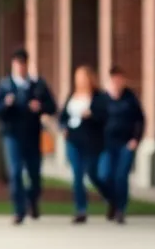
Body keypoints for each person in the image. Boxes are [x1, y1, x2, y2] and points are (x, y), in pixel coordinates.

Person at [0, 48, 58, 225]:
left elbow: (52, 106)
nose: (20, 68)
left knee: (34, 173)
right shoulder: (5, 86)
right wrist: (6, 104)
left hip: (32, 134)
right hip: (12, 134)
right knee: (15, 172)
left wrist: (40, 106)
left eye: (23, 64)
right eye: (17, 64)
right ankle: (18, 210)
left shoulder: (37, 85)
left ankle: (32, 201)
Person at [58, 65, 109, 224]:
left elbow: (105, 116)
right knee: (77, 176)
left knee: (93, 174)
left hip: (91, 141)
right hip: (73, 140)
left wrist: (91, 115)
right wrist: (63, 127)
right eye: (78, 77)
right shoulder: (72, 96)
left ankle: (109, 196)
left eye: (83, 77)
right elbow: (63, 116)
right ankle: (81, 209)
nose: (81, 81)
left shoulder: (99, 97)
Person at [99, 65, 145, 224]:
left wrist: (136, 139)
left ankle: (120, 209)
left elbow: (140, 119)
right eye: (115, 79)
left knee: (121, 176)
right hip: (106, 143)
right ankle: (111, 200)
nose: (118, 82)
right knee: (104, 175)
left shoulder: (130, 98)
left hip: (125, 143)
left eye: (120, 79)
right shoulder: (103, 98)